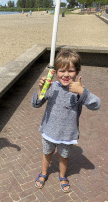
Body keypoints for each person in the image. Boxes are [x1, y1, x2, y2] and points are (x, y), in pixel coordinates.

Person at [32, 49, 101, 192]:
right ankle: (44, 173)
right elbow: (36, 104)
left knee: (63, 157)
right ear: (56, 72)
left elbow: (96, 105)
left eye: (70, 71)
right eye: (62, 71)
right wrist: (41, 90)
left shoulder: (78, 89)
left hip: (67, 134)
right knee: (47, 154)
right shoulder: (51, 87)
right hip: (49, 131)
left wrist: (82, 92)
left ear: (77, 72)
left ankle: (62, 176)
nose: (66, 74)